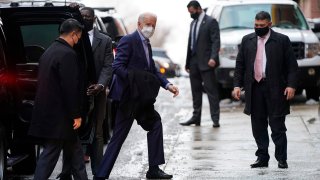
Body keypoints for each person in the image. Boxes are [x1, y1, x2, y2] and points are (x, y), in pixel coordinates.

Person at [93, 12, 179, 180]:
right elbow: (117, 66)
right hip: (128, 97)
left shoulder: (146, 43)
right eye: (148, 24)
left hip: (142, 98)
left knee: (155, 124)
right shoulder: (128, 40)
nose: (151, 28)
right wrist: (136, 80)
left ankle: (153, 169)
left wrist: (168, 85)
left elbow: (152, 70)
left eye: (154, 25)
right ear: (139, 24)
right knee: (118, 137)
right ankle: (101, 176)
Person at [232, 11, 298, 169]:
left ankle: (282, 158)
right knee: (258, 126)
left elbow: (292, 67)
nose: (258, 28)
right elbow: (240, 65)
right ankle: (262, 157)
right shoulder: (247, 40)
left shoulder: (281, 40)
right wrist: (236, 85)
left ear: (270, 24)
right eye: (256, 25)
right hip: (255, 88)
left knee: (277, 126)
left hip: (276, 88)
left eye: (261, 26)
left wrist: (291, 85)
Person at [28, 18, 88, 180]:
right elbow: (69, 88)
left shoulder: (49, 51)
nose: (78, 41)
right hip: (61, 117)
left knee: (76, 153)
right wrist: (76, 114)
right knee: (49, 155)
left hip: (50, 114)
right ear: (74, 34)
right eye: (79, 38)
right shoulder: (68, 54)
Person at [59, 7, 114, 178]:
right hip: (76, 94)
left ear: (94, 18)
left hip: (97, 93)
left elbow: (108, 66)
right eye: (81, 16)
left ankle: (99, 172)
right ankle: (67, 172)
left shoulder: (105, 40)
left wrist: (100, 85)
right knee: (71, 133)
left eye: (87, 16)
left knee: (97, 134)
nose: (85, 18)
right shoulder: (72, 38)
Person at [180, 0, 221, 128]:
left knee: (211, 91)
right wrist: (187, 63)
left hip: (207, 62)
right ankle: (196, 118)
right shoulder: (192, 23)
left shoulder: (211, 21)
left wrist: (213, 57)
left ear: (198, 9)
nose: (191, 15)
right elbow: (190, 44)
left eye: (192, 12)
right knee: (195, 92)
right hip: (193, 62)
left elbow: (216, 41)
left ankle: (215, 119)